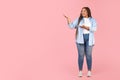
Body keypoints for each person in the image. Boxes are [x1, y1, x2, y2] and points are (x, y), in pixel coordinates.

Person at [64, 7, 97, 77]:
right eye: (82, 11)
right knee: (81, 56)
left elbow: (94, 29)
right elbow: (72, 26)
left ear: (88, 12)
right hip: (80, 40)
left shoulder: (92, 20)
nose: (83, 12)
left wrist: (86, 27)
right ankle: (80, 71)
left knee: (89, 55)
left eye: (84, 11)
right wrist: (68, 20)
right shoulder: (79, 19)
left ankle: (89, 71)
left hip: (89, 39)